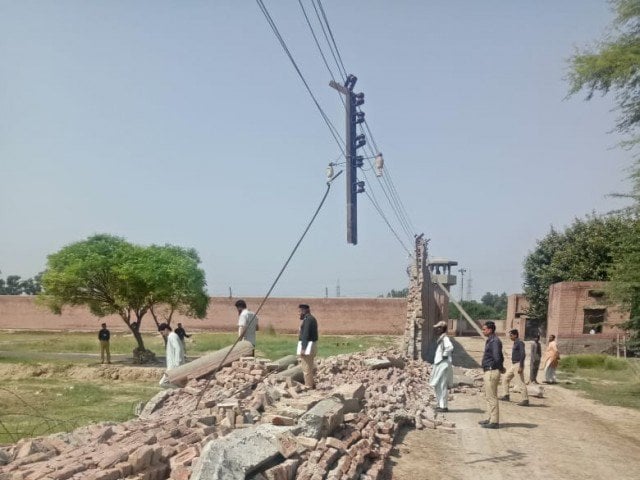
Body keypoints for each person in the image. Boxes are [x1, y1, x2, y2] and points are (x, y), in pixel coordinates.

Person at [478, 321, 504, 429]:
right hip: (489, 371)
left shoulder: (494, 341)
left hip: (491, 371)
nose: (483, 331)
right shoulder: (491, 340)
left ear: (490, 329)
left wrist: (499, 367)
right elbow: (500, 357)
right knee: (488, 397)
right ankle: (490, 418)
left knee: (492, 397)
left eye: (484, 329)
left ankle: (494, 422)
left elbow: (497, 357)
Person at [500, 329, 529, 406]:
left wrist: (521, 366)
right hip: (514, 365)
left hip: (518, 365)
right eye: (510, 335)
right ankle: (506, 395)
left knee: (520, 382)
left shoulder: (520, 343)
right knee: (505, 378)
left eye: (511, 335)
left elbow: (523, 354)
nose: (510, 337)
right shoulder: (515, 343)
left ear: (515, 335)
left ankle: (525, 399)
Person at [429, 320, 454, 412]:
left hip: (443, 364)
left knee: (442, 385)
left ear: (442, 328)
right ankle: (440, 404)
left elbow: (450, 347)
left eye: (438, 328)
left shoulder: (445, 338)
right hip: (439, 363)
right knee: (437, 385)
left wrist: (445, 354)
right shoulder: (441, 338)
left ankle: (444, 406)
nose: (436, 330)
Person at [158, 323, 186, 388]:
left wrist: (177, 362)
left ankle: (179, 390)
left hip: (174, 365)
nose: (162, 334)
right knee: (168, 383)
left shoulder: (172, 336)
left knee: (162, 383)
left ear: (166, 329)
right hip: (172, 365)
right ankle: (178, 390)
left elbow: (178, 348)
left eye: (162, 332)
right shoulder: (172, 336)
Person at [297, 304, 318, 388]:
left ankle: (308, 387)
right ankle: (312, 384)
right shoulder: (310, 318)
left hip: (308, 345)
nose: (298, 314)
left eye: (299, 311)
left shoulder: (308, 320)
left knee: (306, 368)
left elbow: (305, 334)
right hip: (311, 344)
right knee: (309, 366)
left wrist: (303, 348)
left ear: (304, 311)